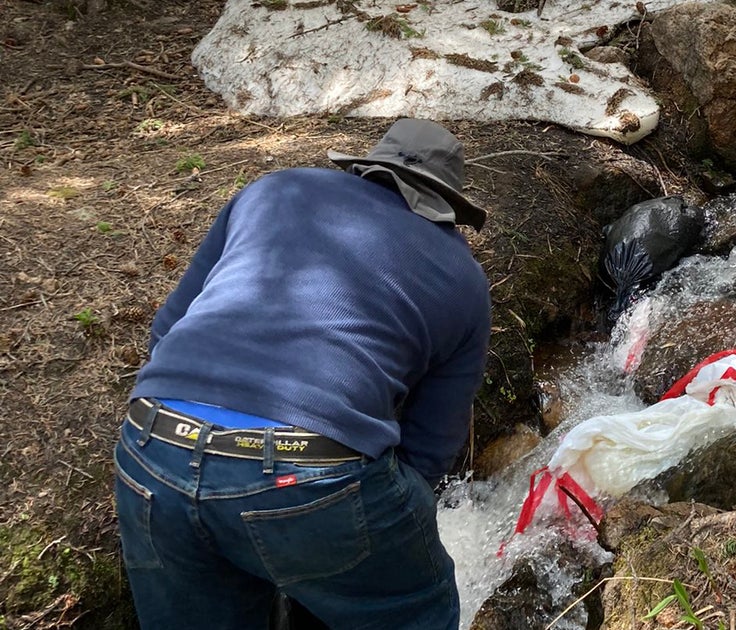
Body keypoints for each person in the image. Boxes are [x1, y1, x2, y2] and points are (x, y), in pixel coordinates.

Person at [112, 119, 491, 629]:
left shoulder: (272, 188)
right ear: (447, 202)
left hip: (152, 442)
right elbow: (428, 451)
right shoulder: (462, 276)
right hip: (303, 469)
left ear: (367, 167)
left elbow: (165, 331)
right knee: (415, 609)